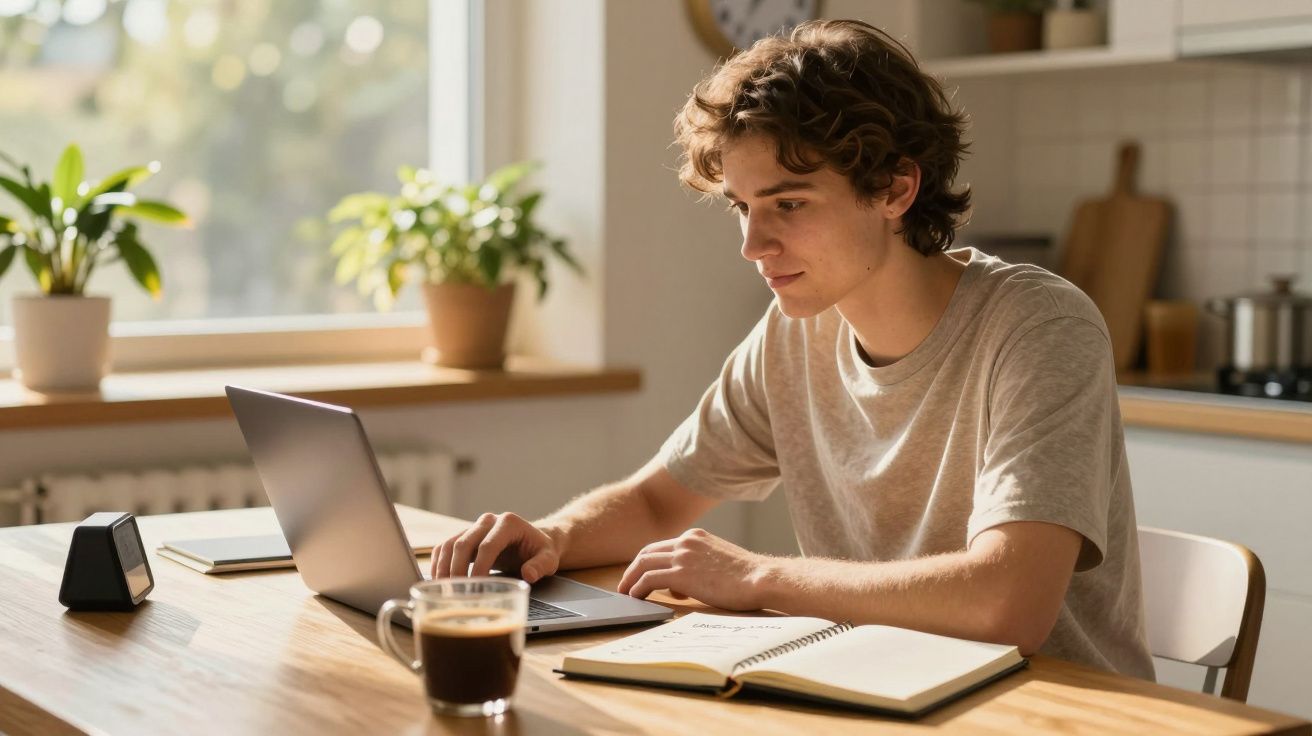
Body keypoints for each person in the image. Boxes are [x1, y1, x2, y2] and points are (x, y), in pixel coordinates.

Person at [431, 19, 1154, 679]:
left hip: (1053, 708)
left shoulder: (1039, 327)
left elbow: (1008, 604)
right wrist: (549, 539)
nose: (752, 245)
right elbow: (657, 501)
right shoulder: (795, 330)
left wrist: (756, 578)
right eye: (743, 208)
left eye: (789, 204)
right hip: (881, 687)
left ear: (897, 187)